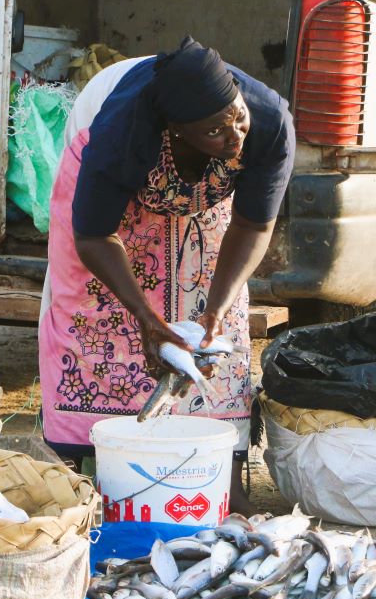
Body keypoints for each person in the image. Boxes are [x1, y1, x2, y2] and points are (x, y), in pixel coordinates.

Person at [38, 36, 295, 515]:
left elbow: (253, 224)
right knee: (94, 312)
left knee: (215, 326)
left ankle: (217, 473)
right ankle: (80, 469)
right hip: (116, 190)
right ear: (176, 130)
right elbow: (93, 235)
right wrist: (145, 318)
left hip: (207, 202)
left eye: (237, 117)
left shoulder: (270, 122)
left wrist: (215, 309)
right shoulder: (117, 131)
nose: (235, 137)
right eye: (216, 132)